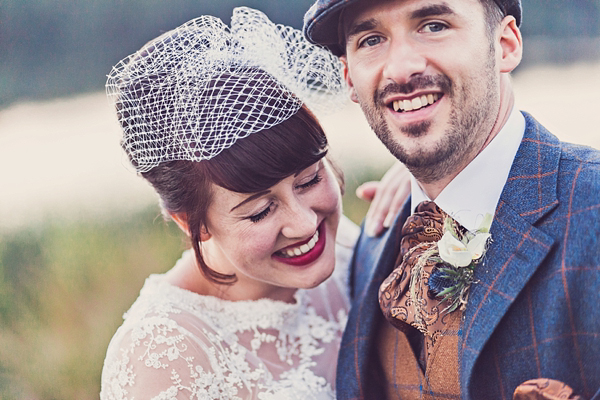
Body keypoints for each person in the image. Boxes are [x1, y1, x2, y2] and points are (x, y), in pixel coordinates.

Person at [100, 7, 409, 399]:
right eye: (260, 211)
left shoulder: (350, 251)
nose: (303, 224)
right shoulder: (161, 357)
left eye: (310, 180)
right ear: (190, 222)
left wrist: (425, 186)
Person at [303, 0, 600, 399]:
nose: (400, 69)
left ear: (506, 45)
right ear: (349, 79)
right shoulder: (374, 241)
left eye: (433, 26)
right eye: (371, 40)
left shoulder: (592, 204)